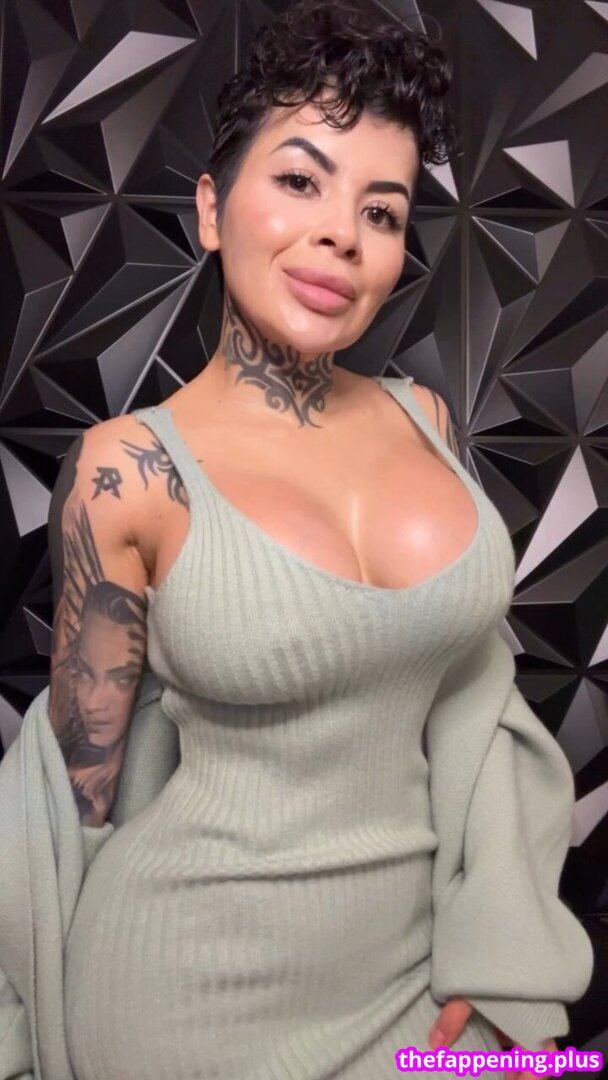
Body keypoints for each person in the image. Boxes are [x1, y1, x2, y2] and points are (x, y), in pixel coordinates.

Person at [43, 1, 591, 1077]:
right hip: (182, 999)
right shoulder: (128, 469)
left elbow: (478, 710)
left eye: (380, 210)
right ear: (212, 210)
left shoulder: (425, 420)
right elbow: (74, 795)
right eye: (300, 181)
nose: (342, 231)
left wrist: (500, 943)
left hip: (419, 984)